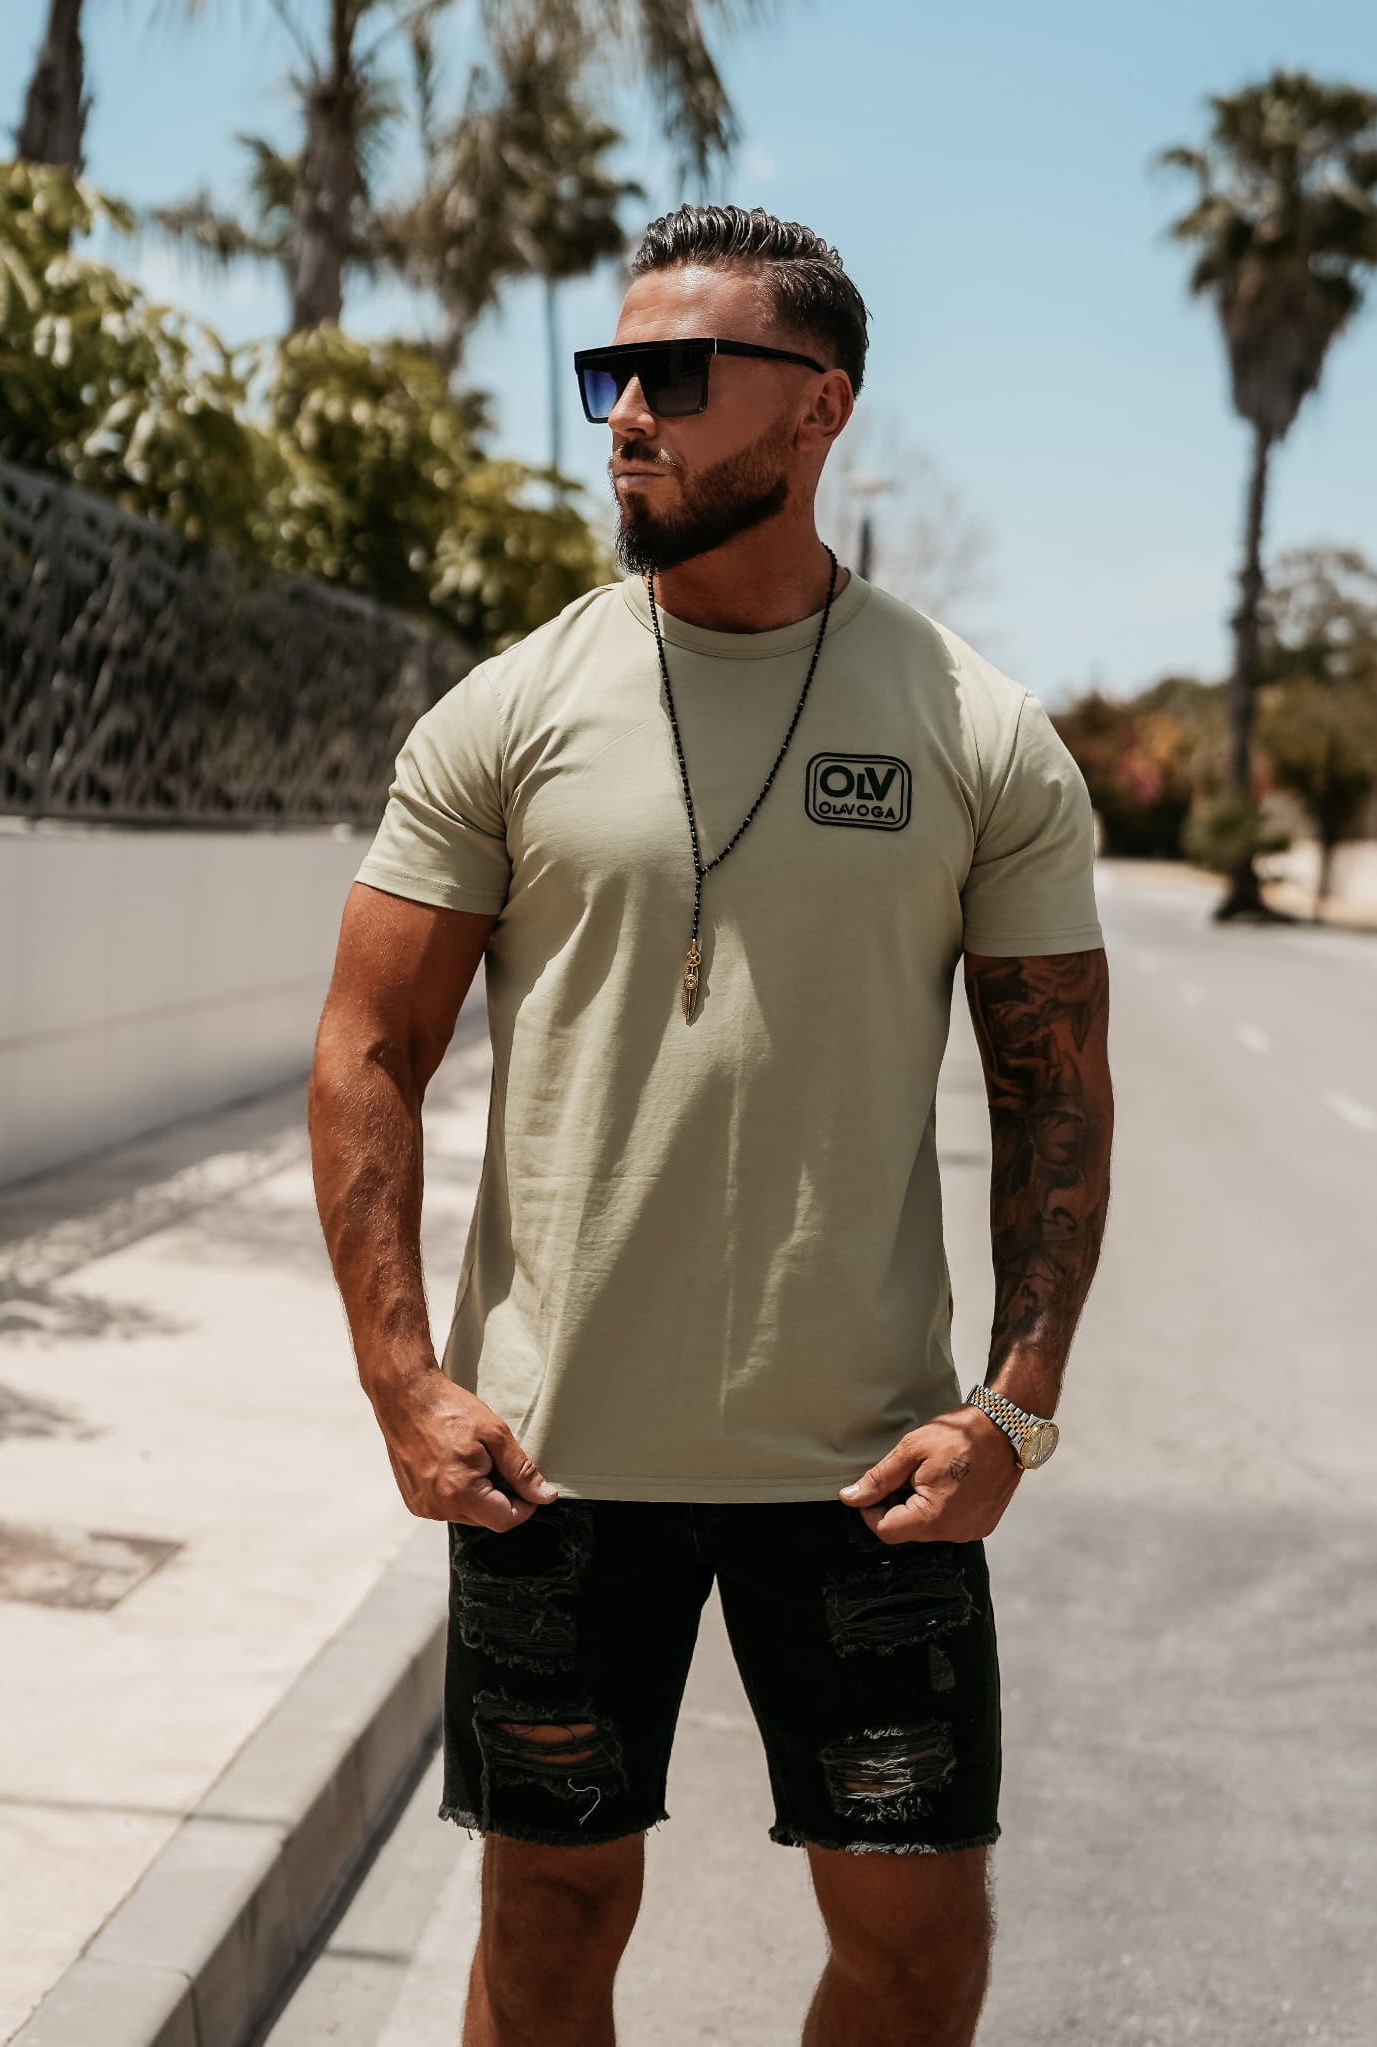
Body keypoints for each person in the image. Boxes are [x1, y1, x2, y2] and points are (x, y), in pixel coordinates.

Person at [310, 204, 1113, 2047]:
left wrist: (1013, 1408)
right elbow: (367, 1044)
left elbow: (1052, 1091)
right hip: (554, 1463)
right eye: (608, 375)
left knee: (913, 1948)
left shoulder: (974, 729)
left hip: (869, 1475)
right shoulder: (510, 710)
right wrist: (402, 1383)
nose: (623, 417)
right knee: (544, 1933)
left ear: (819, 406)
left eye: (674, 377)